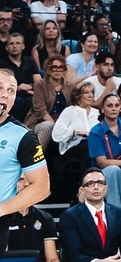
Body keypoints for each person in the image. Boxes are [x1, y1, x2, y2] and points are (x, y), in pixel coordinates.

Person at [0, 69, 50, 251]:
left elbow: (41, 188)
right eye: (0, 88)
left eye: (11, 90)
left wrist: (2, 209)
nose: (5, 94)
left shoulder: (23, 136)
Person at [60, 167, 121, 262]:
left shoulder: (119, 213)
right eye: (90, 184)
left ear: (106, 188)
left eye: (100, 183)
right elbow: (72, 255)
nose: (96, 187)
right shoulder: (70, 216)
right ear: (82, 190)